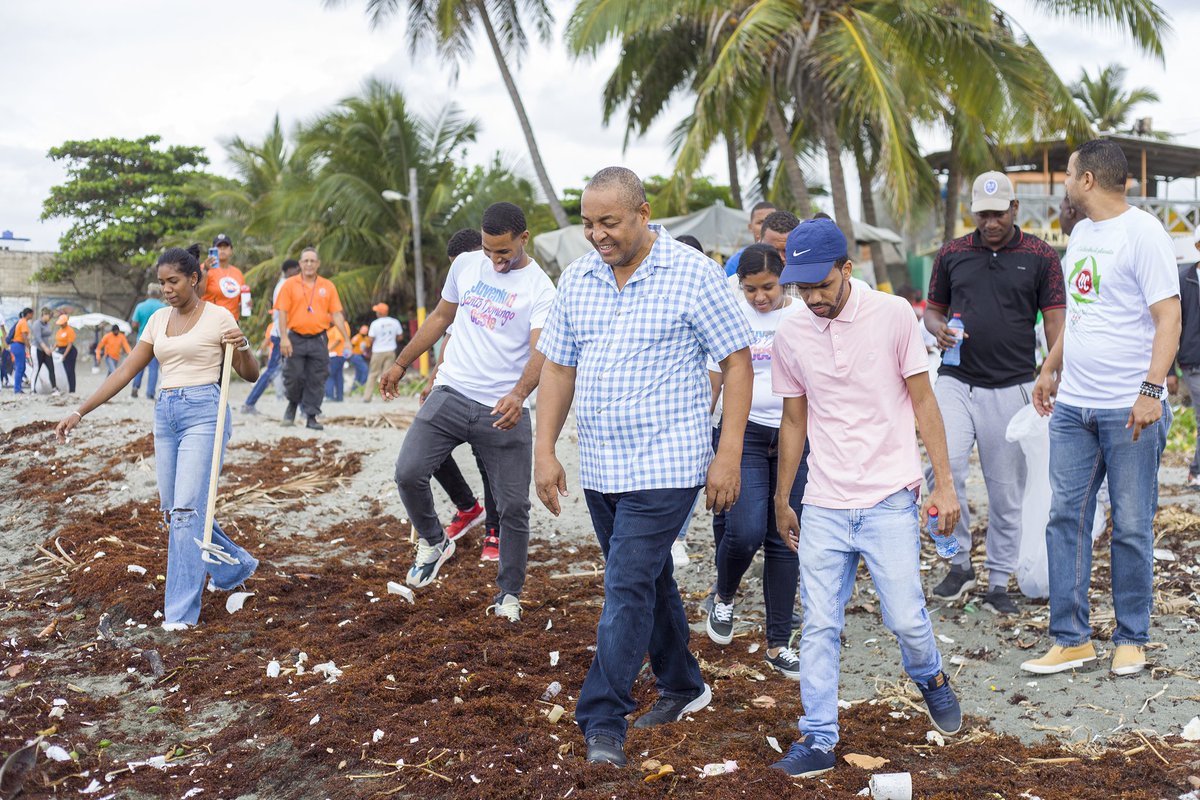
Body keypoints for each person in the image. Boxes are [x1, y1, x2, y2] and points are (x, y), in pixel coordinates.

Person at [534, 166, 754, 768]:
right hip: (603, 466)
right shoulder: (577, 279)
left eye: (609, 222)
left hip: (669, 461)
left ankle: (603, 717)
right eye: (587, 223)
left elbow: (737, 363)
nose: (596, 235)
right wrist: (545, 450)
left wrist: (728, 455)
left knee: (625, 583)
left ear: (643, 212)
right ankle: (684, 684)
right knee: (649, 579)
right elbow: (557, 367)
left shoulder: (693, 276)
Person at [768, 218, 963, 778]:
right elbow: (793, 417)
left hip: (888, 495)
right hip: (825, 500)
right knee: (819, 625)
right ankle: (818, 738)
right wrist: (786, 498)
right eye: (802, 289)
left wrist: (944, 483)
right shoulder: (792, 329)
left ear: (847, 269)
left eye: (822, 286)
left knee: (905, 618)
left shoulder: (893, 315)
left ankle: (930, 676)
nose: (813, 299)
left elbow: (925, 403)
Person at [1022, 139, 1180, 678]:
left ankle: (1131, 637)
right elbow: (1083, 313)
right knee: (1065, 518)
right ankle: (1071, 639)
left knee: (1132, 525)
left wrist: (1152, 391)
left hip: (1127, 409)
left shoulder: (1145, 234)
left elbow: (1169, 318)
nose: (1062, 183)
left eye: (1067, 174)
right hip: (1074, 407)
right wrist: (1051, 367)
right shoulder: (1083, 234)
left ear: (1087, 179)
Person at [55, 244, 260, 630]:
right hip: (165, 415)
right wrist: (79, 411)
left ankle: (180, 616)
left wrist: (243, 345)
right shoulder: (158, 320)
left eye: (174, 281)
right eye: (162, 282)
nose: (166, 288)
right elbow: (125, 371)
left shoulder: (218, 317)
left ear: (194, 278)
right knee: (173, 513)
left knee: (185, 513)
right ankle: (236, 566)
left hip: (205, 412)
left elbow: (249, 373)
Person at [381, 202, 555, 621]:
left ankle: (509, 594)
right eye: (489, 249)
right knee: (408, 472)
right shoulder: (465, 265)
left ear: (523, 240)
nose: (495, 260)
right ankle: (434, 539)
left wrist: (519, 393)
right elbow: (442, 317)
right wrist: (402, 362)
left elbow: (540, 350)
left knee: (514, 507)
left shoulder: (541, 288)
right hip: (453, 391)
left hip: (503, 409)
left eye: (504, 253)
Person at [923, 171, 1066, 615]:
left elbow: (1056, 320)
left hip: (1014, 386)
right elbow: (932, 312)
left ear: (1014, 209)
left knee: (1006, 491)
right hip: (955, 381)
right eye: (982, 215)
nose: (990, 223)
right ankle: (959, 562)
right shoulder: (952, 253)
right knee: (942, 473)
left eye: (998, 214)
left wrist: (1053, 371)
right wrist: (939, 330)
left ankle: (998, 579)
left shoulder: (1041, 255)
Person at [704, 244, 809, 679]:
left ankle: (778, 642)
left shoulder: (802, 316)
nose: (760, 297)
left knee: (785, 539)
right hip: (741, 433)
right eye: (751, 289)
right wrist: (703, 442)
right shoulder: (729, 313)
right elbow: (714, 377)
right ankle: (724, 596)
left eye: (768, 288)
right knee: (744, 530)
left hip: (792, 434)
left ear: (784, 279)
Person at [275, 247, 352, 430]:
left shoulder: (328, 286)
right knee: (293, 376)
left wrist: (347, 339)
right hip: (295, 338)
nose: (309, 264)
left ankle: (311, 416)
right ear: (300, 264)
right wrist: (284, 337)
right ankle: (292, 405)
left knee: (316, 378)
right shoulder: (289, 285)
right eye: (305, 261)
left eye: (312, 261)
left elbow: (337, 315)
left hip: (319, 339)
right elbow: (282, 313)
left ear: (318, 264)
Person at [242, 259, 301, 415]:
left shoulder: (286, 285)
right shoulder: (285, 286)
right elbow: (280, 313)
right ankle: (249, 403)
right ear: (289, 271)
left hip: (287, 334)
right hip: (282, 334)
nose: (299, 273)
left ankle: (305, 409)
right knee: (272, 371)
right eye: (297, 270)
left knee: (298, 370)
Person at [130, 283, 168, 399]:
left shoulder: (140, 306)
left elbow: (134, 324)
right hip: (158, 341)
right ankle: (150, 393)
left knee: (139, 366)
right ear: (159, 294)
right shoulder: (163, 308)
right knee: (153, 368)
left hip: (142, 339)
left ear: (148, 293)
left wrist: (140, 329)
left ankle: (135, 387)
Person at [723, 201, 777, 276]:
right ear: (750, 227)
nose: (766, 226)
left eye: (772, 221)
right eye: (761, 222)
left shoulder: (786, 257)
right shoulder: (736, 262)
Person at [200, 234, 248, 318]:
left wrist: (248, 303)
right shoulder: (205, 268)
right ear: (213, 250)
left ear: (231, 251)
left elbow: (240, 300)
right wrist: (205, 270)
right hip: (211, 320)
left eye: (225, 247)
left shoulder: (238, 273)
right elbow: (197, 293)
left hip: (233, 322)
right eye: (218, 247)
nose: (222, 249)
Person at [363, 302, 402, 403]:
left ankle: (367, 397)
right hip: (390, 351)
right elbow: (400, 337)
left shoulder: (375, 324)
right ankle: (387, 397)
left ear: (379, 313)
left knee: (373, 374)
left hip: (377, 352)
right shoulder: (395, 322)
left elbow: (370, 339)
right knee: (387, 375)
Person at [30, 307, 61, 395]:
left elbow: (48, 337)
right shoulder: (37, 324)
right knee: (36, 369)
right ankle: (32, 390)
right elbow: (38, 338)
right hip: (38, 349)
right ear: (44, 314)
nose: (50, 318)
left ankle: (54, 388)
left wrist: (51, 348)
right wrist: (45, 348)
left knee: (51, 368)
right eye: (49, 316)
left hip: (47, 350)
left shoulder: (47, 324)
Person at [10, 308, 33, 393]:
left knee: (21, 367)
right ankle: (17, 389)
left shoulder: (22, 321)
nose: (32, 316)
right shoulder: (23, 322)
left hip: (17, 345)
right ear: (29, 314)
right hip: (18, 345)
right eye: (32, 314)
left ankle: (18, 387)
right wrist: (29, 346)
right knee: (20, 367)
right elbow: (24, 336)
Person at [54, 314, 78, 394]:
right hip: (60, 350)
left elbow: (70, 344)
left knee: (70, 370)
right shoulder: (59, 331)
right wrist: (52, 350)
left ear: (65, 322)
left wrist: (64, 355)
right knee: (62, 371)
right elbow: (57, 342)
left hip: (69, 351)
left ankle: (72, 389)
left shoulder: (70, 330)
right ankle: (63, 387)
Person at [325, 323, 348, 402]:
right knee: (338, 376)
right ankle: (339, 396)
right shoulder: (343, 325)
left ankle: (329, 396)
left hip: (335, 354)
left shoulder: (339, 325)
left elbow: (338, 339)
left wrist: (327, 349)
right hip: (340, 354)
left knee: (330, 375)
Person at [348, 324, 370, 394]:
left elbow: (367, 348)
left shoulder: (367, 339)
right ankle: (361, 386)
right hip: (355, 356)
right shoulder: (357, 337)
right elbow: (351, 346)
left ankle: (354, 389)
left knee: (359, 373)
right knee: (365, 370)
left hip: (361, 356)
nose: (363, 335)